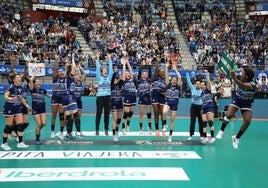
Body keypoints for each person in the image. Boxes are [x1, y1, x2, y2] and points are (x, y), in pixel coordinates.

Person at [216, 67, 256, 149]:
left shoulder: (252, 84)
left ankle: (236, 138)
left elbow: (242, 84)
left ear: (247, 76)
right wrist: (231, 72)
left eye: (243, 73)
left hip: (247, 102)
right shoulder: (240, 77)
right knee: (229, 115)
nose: (241, 74)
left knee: (247, 121)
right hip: (237, 99)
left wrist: (234, 77)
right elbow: (232, 73)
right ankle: (221, 131)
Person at [1, 74, 32, 150]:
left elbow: (21, 98)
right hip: (9, 107)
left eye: (20, 77)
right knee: (8, 127)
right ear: (14, 79)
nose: (20, 78)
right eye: (18, 77)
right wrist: (11, 99)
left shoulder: (21, 87)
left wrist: (27, 106)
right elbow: (5, 96)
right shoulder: (10, 87)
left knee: (20, 125)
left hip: (17, 108)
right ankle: (4, 143)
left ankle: (20, 142)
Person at [29, 73, 52, 144]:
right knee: (39, 124)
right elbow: (30, 80)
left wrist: (55, 95)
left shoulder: (43, 90)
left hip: (42, 109)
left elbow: (49, 96)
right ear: (34, 84)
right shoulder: (32, 89)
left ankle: (37, 130)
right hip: (35, 109)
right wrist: (33, 74)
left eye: (39, 82)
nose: (39, 83)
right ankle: (37, 138)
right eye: (37, 82)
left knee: (44, 123)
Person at [163, 60, 182, 142]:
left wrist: (175, 69)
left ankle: (170, 135)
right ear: (171, 80)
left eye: (175, 79)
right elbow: (166, 75)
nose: (174, 80)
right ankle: (164, 125)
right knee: (164, 112)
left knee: (172, 119)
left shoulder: (178, 86)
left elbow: (180, 77)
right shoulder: (168, 84)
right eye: (173, 79)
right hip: (168, 102)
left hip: (175, 104)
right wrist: (166, 67)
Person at [95, 50, 113, 136]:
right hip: (100, 98)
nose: (105, 71)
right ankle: (97, 130)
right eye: (104, 70)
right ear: (102, 72)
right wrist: (97, 58)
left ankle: (106, 129)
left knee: (107, 114)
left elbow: (111, 70)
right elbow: (97, 68)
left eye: (106, 70)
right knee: (98, 113)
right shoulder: (99, 78)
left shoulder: (109, 78)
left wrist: (109, 59)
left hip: (108, 97)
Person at [50, 53, 66, 139]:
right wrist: (56, 59)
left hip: (62, 99)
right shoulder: (54, 78)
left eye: (62, 71)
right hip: (55, 98)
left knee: (61, 116)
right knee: (54, 115)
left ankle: (61, 132)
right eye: (60, 71)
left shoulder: (65, 79)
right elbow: (55, 68)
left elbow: (67, 70)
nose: (61, 72)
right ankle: (52, 131)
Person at [185, 68, 203, 141]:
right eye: (197, 84)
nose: (198, 85)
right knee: (192, 122)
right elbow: (188, 81)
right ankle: (191, 136)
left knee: (201, 122)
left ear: (200, 85)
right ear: (195, 85)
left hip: (201, 107)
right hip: (193, 107)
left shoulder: (202, 90)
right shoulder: (192, 88)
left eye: (199, 84)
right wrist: (187, 73)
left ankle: (202, 136)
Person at [121, 55, 137, 135]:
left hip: (133, 97)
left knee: (131, 113)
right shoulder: (124, 80)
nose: (128, 74)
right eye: (126, 73)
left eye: (128, 73)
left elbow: (130, 70)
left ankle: (128, 125)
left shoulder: (132, 79)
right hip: (127, 97)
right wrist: (124, 64)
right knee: (126, 113)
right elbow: (124, 72)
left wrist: (127, 62)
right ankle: (123, 127)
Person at [136, 57, 152, 134]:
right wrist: (142, 65)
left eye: (146, 74)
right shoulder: (139, 80)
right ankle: (141, 128)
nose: (144, 75)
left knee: (149, 114)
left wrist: (149, 64)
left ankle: (149, 127)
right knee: (141, 114)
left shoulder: (149, 80)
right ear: (141, 75)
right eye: (143, 74)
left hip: (148, 98)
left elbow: (150, 72)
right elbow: (139, 71)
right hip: (141, 99)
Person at [151, 60, 167, 137]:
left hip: (162, 96)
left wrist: (166, 93)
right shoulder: (155, 77)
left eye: (164, 71)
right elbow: (155, 70)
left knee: (162, 113)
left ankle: (163, 128)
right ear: (158, 72)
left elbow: (168, 89)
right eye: (161, 71)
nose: (162, 72)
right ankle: (157, 130)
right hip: (155, 96)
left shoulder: (166, 79)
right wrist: (157, 62)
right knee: (156, 113)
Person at [200, 70, 215, 143]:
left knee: (210, 121)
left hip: (210, 107)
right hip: (204, 108)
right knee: (204, 122)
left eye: (202, 84)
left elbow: (209, 83)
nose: (201, 85)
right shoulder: (201, 93)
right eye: (201, 85)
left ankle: (212, 137)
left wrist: (207, 75)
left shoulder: (208, 90)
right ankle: (205, 137)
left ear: (205, 86)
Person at [110, 66, 124, 141]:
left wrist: (122, 67)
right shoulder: (111, 85)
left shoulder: (120, 84)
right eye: (116, 78)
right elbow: (113, 78)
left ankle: (117, 131)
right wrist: (115, 72)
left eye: (117, 78)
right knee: (114, 118)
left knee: (119, 119)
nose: (116, 79)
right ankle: (114, 134)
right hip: (114, 103)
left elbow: (122, 77)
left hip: (120, 103)